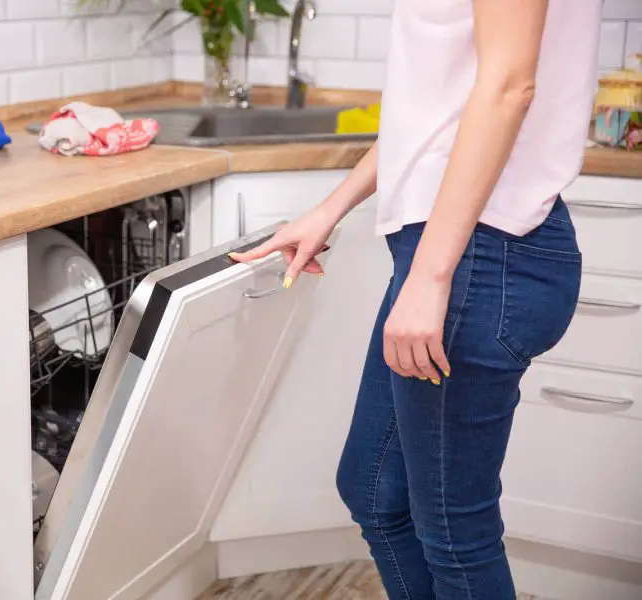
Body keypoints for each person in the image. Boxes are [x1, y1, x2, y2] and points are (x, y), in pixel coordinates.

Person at [230, 1, 601, 598]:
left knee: (456, 534)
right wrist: (331, 208)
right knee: (375, 492)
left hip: (479, 250)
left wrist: (431, 278)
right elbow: (437, 115)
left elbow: (508, 87)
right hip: (456, 250)